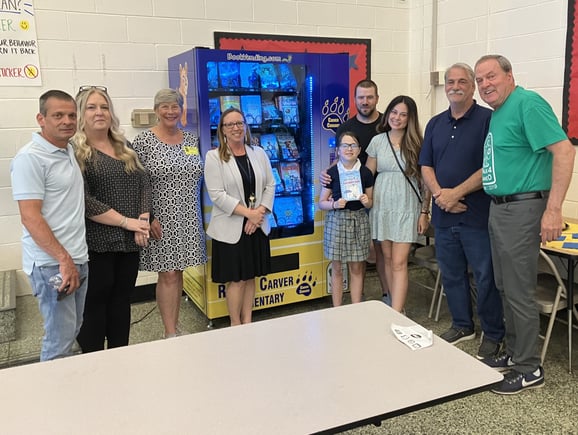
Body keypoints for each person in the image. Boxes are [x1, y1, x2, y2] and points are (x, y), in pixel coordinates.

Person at [474, 54, 575, 394]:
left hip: (523, 209)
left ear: (509, 75)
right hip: (500, 209)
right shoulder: (500, 113)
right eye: (480, 80)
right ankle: (516, 354)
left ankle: (529, 369)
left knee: (519, 292)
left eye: (491, 76)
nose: (485, 84)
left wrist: (554, 210)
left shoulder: (527, 103)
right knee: (506, 287)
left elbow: (563, 151)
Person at [419, 63, 505, 359]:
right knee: (452, 274)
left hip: (476, 216)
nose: (455, 86)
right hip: (444, 217)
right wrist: (441, 196)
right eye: (450, 81)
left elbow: (491, 166)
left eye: (462, 81)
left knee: (485, 277)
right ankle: (462, 325)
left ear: (472, 86)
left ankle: (493, 333)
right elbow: (425, 165)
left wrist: (456, 193)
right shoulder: (435, 124)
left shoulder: (488, 120)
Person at [10, 90, 89, 361]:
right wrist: (63, 259)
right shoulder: (30, 158)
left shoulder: (67, 150)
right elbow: (30, 217)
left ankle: (64, 391)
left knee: (72, 330)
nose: (67, 121)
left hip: (75, 257)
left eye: (71, 115)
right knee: (59, 339)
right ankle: (50, 398)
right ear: (41, 119)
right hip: (52, 264)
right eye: (58, 115)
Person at [73, 86, 151, 352]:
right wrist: (126, 222)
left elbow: (144, 183)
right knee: (95, 305)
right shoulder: (76, 152)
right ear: (81, 114)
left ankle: (121, 357)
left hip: (129, 243)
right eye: (92, 107)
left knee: (121, 302)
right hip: (97, 244)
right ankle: (93, 364)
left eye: (104, 107)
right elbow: (84, 200)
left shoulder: (124, 145)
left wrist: (143, 219)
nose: (99, 112)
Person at [132, 88, 207, 338]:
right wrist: (148, 216)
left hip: (188, 216)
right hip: (160, 219)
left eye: (175, 106)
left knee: (180, 271)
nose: (170, 111)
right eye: (164, 106)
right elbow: (135, 183)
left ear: (181, 109)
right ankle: (169, 332)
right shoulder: (143, 142)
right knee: (168, 274)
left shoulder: (191, 139)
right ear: (156, 110)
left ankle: (174, 327)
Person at [204, 108, 275, 326]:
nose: (236, 128)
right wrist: (250, 215)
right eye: (230, 125)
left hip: (257, 226)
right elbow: (216, 195)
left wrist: (259, 213)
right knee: (235, 280)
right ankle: (235, 325)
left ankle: (248, 321)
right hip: (231, 229)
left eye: (239, 123)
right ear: (222, 130)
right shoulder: (213, 157)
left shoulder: (259, 153)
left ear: (245, 126)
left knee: (250, 276)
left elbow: (270, 185)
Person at [365, 95, 430, 313]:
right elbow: (367, 175)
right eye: (394, 112)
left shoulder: (418, 144)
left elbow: (426, 183)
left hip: (406, 205)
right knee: (388, 258)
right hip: (382, 205)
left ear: (410, 118)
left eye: (403, 114)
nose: (397, 118)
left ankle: (397, 311)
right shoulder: (377, 141)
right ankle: (394, 304)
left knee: (400, 261)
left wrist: (424, 212)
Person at [329, 79, 390, 305]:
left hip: (377, 195)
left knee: (382, 251)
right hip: (351, 204)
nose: (365, 102)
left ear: (377, 98)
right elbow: (336, 159)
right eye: (361, 97)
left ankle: (387, 295)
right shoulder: (346, 128)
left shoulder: (387, 123)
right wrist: (327, 175)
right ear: (355, 100)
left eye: (370, 97)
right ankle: (358, 299)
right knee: (357, 257)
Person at [319, 132, 374, 306]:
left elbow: (371, 202)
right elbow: (321, 203)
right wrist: (334, 204)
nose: (349, 149)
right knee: (337, 267)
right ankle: (337, 308)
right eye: (345, 145)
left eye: (353, 145)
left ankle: (355, 308)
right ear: (338, 150)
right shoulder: (332, 172)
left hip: (359, 221)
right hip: (336, 221)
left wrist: (367, 201)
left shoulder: (365, 173)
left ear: (359, 150)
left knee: (356, 267)